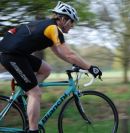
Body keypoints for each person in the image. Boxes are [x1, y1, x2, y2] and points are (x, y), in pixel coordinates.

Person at [0, 1, 102, 133]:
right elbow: (69, 53)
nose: (72, 26)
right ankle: (33, 130)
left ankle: (25, 94)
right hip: (12, 56)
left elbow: (60, 53)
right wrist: (90, 67)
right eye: (72, 22)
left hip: (17, 54)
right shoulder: (53, 29)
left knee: (46, 69)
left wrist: (76, 64)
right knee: (35, 93)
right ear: (64, 19)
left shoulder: (48, 27)